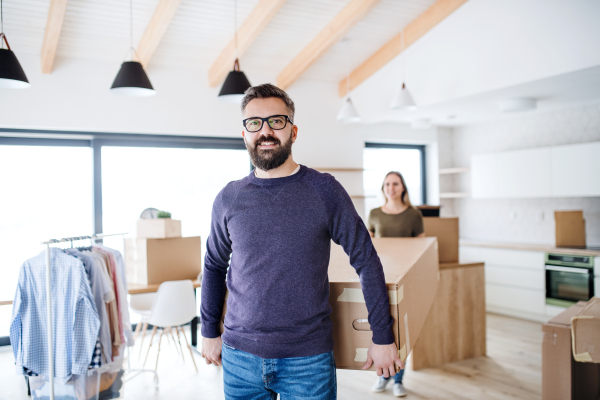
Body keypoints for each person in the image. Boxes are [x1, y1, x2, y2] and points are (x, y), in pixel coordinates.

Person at [200, 83, 403, 400]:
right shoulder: (229, 198)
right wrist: (208, 329)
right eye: (255, 123)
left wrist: (382, 335)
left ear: (293, 132)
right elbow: (213, 265)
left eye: (276, 121)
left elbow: (365, 258)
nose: (265, 131)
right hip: (239, 358)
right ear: (244, 135)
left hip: (308, 360)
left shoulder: (324, 191)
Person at [368, 171, 425, 397]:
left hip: (405, 278)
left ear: (403, 187)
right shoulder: (373, 213)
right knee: (383, 329)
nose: (391, 188)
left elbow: (421, 250)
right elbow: (368, 248)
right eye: (387, 184)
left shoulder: (414, 215)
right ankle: (383, 376)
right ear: (383, 188)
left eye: (395, 184)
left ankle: (398, 379)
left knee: (402, 332)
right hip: (380, 279)